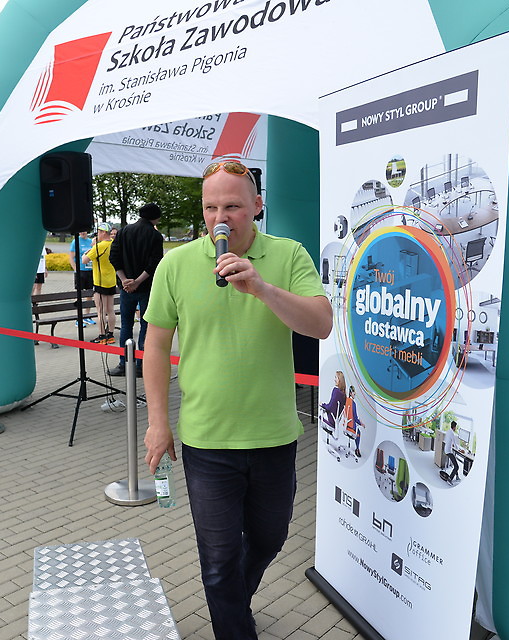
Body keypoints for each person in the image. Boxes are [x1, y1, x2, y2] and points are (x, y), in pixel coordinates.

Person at [142, 160, 332, 639]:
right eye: (210, 207)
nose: (220, 218)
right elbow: (156, 346)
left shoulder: (289, 254)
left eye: (232, 206)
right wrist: (158, 422)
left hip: (274, 436)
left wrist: (262, 288)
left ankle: (233, 604)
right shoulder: (175, 264)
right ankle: (233, 625)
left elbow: (321, 325)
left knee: (269, 539)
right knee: (218, 558)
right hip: (206, 440)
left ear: (257, 205)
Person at [107, 203, 164, 376]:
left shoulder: (124, 231)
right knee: (146, 326)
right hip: (146, 287)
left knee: (126, 325)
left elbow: (113, 257)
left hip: (126, 288)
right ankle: (141, 365)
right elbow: (155, 263)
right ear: (155, 217)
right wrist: (137, 282)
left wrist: (125, 280)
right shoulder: (155, 235)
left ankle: (124, 364)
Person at [83, 222, 116, 344]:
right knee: (110, 309)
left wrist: (92, 246)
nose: (97, 235)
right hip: (111, 280)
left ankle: (102, 336)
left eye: (98, 232)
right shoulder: (113, 244)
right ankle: (110, 334)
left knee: (100, 311)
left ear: (103, 232)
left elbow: (84, 260)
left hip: (100, 282)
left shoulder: (99, 246)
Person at [67, 230, 95, 326]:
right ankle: (78, 318)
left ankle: (87, 316)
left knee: (89, 294)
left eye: (84, 231)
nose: (83, 233)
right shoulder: (75, 241)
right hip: (81, 271)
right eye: (81, 231)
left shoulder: (90, 241)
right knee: (79, 294)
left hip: (90, 270)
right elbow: (71, 257)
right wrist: (76, 269)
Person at [344, 385, 365, 458]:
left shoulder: (346, 400)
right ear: (350, 393)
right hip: (351, 427)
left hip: (345, 426)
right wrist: (361, 424)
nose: (355, 394)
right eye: (353, 393)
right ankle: (357, 449)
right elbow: (355, 418)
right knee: (358, 433)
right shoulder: (353, 403)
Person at [444, 420, 460, 485]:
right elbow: (455, 444)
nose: (456, 428)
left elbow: (447, 440)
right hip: (449, 451)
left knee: (455, 462)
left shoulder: (448, 431)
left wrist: (451, 444)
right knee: (457, 466)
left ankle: (457, 477)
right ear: (454, 427)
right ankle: (449, 479)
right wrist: (459, 450)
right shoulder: (452, 433)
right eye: (456, 427)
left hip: (446, 449)